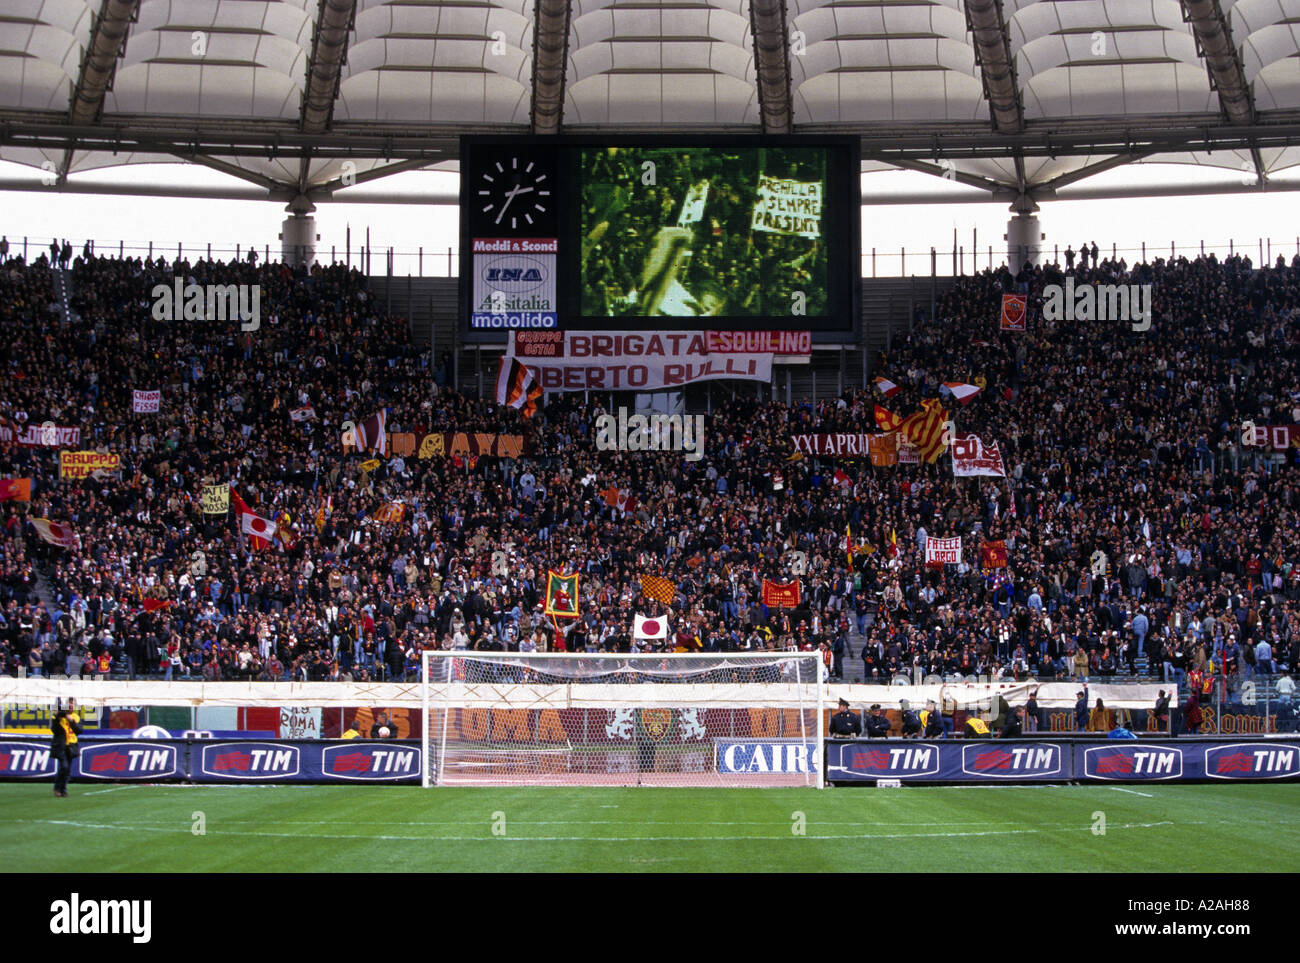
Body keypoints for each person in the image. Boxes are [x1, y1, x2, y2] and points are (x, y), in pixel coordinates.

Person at [50, 699, 82, 797]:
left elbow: (78, 730)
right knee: (64, 766)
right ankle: (57, 788)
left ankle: (63, 789)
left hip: (71, 745)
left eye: (72, 706)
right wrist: (57, 718)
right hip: (61, 745)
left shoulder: (75, 717)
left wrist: (70, 720)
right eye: (69, 706)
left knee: (67, 769)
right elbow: (54, 730)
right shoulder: (58, 717)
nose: (70, 707)